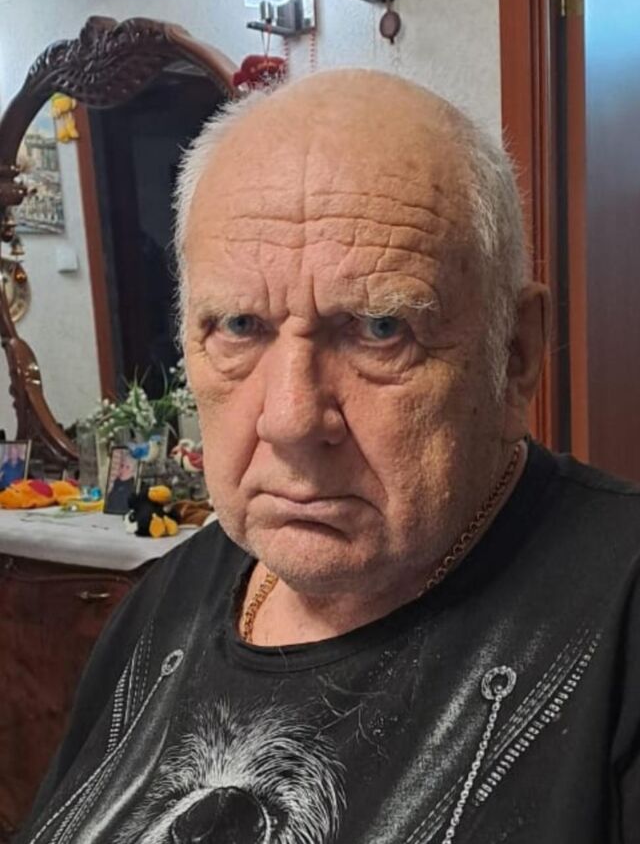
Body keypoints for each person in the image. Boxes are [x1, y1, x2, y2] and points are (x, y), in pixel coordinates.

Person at [16, 70, 639, 843]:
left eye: (380, 329)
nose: (290, 418)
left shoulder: (620, 616)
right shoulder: (164, 598)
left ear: (514, 355)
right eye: (239, 324)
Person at [104, 450, 137, 514]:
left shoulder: (131, 488)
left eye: (127, 467)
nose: (123, 469)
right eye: (122, 465)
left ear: (133, 471)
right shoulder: (117, 482)